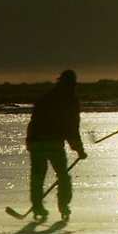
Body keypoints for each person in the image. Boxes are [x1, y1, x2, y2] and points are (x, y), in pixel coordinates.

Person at [26, 69, 88, 221]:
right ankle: (63, 205)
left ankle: (38, 206)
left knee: (38, 177)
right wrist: (79, 149)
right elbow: (72, 128)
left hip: (36, 142)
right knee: (63, 176)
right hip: (52, 143)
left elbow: (34, 122)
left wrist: (30, 142)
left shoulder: (46, 98)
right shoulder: (70, 101)